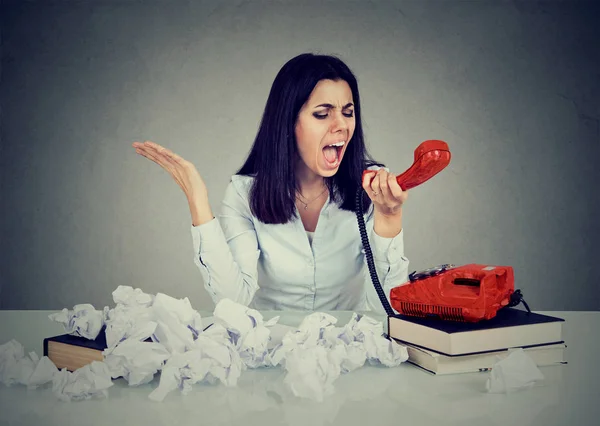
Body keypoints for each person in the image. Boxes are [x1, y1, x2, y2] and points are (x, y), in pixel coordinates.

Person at [132, 53, 410, 314]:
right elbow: (233, 300)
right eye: (322, 114)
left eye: (348, 112)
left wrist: (389, 217)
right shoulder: (244, 193)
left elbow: (387, 308)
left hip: (348, 350)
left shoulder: (372, 188)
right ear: (289, 122)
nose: (341, 125)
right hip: (272, 352)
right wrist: (197, 200)